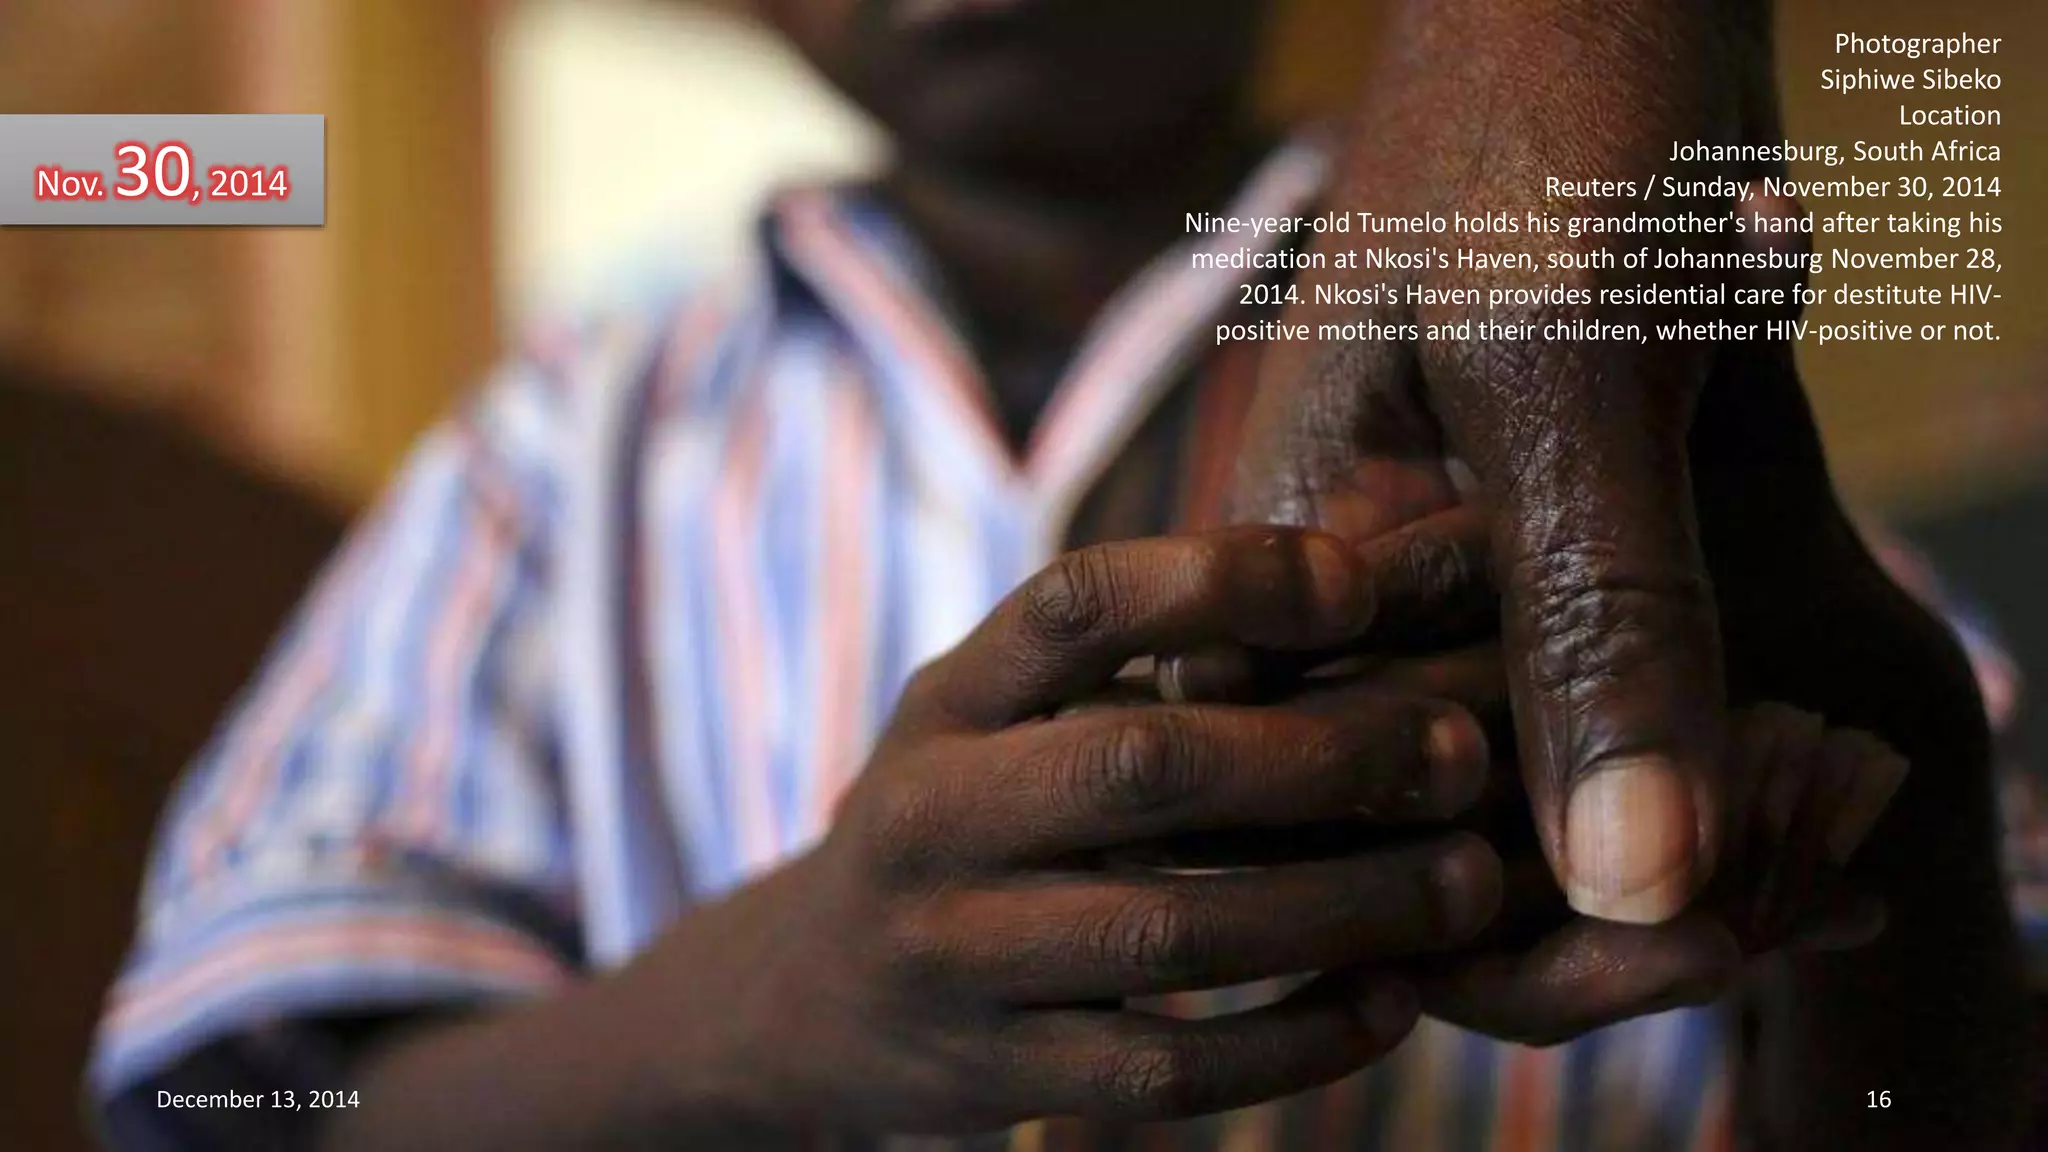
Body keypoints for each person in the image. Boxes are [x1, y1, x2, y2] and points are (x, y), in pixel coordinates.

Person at [89, 0, 2031, 1148]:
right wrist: (775, 1002)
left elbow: (1946, 1069)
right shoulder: (562, 446)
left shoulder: (1570, 342)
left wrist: (1905, 827)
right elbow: (248, 1107)